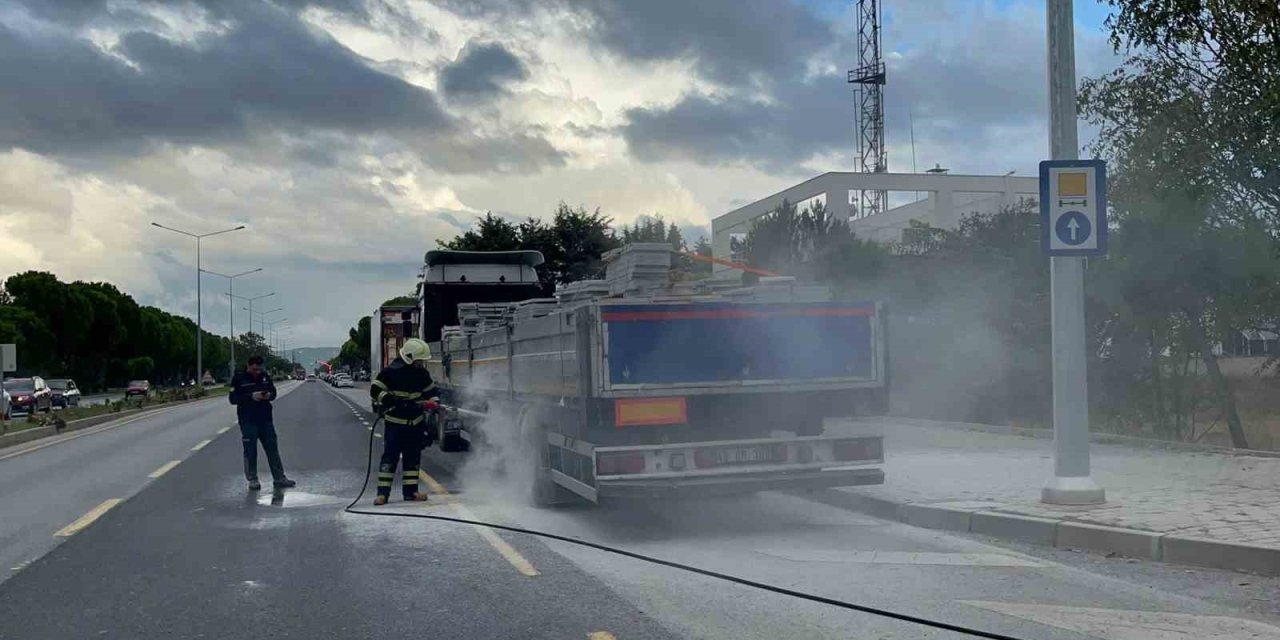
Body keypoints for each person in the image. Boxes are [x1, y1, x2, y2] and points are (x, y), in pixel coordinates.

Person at [370, 338, 439, 505]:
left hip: (416, 423)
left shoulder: (422, 374)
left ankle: (411, 492)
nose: (421, 363)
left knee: (412, 459)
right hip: (395, 424)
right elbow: (375, 390)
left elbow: (432, 391)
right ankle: (382, 494)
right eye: (418, 360)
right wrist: (390, 400)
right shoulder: (389, 372)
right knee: (390, 459)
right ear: (409, 358)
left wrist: (435, 403)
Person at [230, 355, 296, 491]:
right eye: (255, 369)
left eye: (259, 369)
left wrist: (268, 395)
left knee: (272, 448)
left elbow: (273, 392)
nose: (257, 372)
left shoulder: (265, 376)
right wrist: (251, 396)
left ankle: (279, 478)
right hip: (248, 420)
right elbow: (233, 398)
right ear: (248, 366)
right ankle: (253, 479)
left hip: (265, 419)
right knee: (250, 450)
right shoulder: (239, 378)